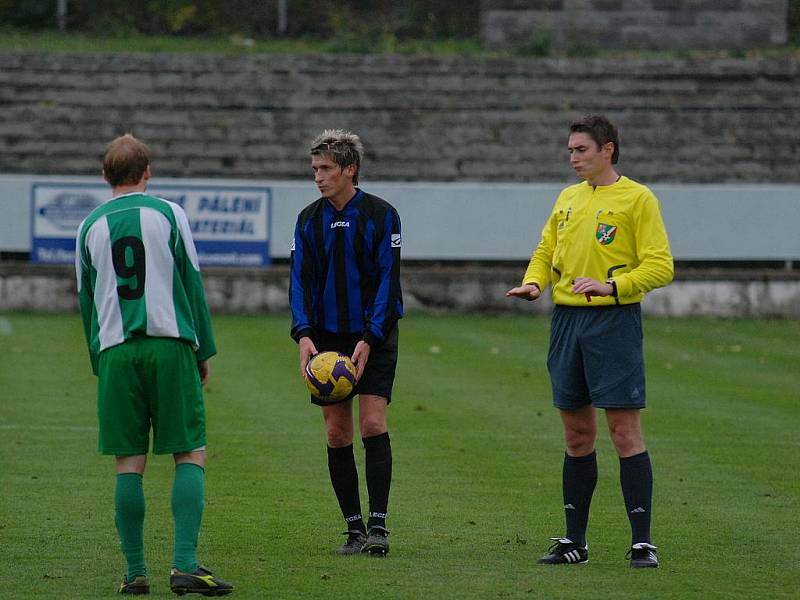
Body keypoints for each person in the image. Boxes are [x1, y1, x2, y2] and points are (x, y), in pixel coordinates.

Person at [507, 115, 673, 568]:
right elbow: (546, 251)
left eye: (581, 150)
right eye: (570, 151)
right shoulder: (567, 199)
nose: (573, 158)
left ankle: (643, 542)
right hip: (566, 324)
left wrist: (610, 287)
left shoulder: (638, 198)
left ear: (608, 150)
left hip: (613, 324)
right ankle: (574, 542)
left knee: (623, 432)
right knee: (577, 434)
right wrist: (534, 283)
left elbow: (661, 266)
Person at [75, 134, 233, 595]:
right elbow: (192, 281)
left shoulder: (87, 226)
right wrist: (201, 351)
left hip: (117, 353)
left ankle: (134, 572)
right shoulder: (168, 213)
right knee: (190, 451)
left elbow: (87, 303)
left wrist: (100, 362)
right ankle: (184, 564)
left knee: (129, 461)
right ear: (148, 174)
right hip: (169, 344)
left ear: (105, 177)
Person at [289, 129, 403, 556]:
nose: (318, 177)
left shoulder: (381, 215)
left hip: (373, 333)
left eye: (326, 169)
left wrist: (371, 338)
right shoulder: (308, 219)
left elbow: (388, 283)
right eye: (314, 169)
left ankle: (379, 526)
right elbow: (299, 280)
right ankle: (353, 529)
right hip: (326, 338)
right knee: (337, 432)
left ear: (349, 169)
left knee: (372, 423)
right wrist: (303, 336)